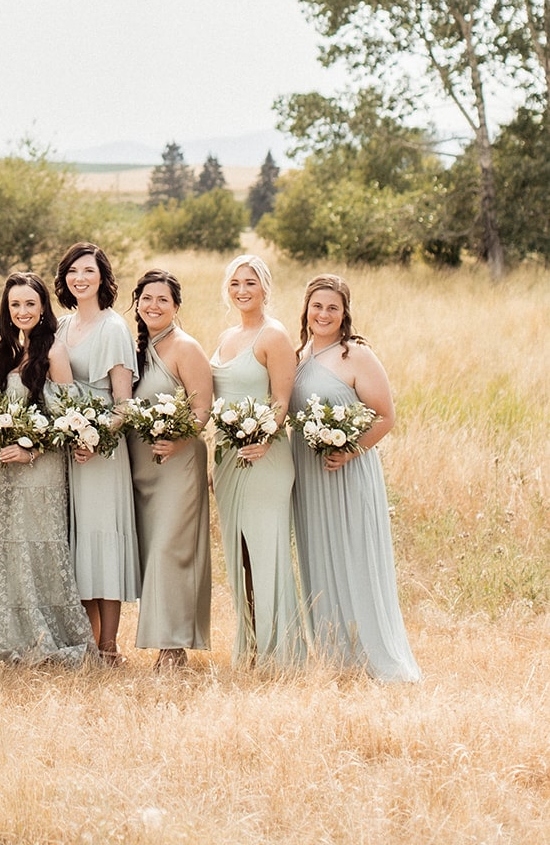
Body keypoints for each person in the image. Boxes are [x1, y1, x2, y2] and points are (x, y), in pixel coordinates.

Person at [291, 274, 420, 681]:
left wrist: (349, 450)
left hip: (348, 473)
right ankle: (337, 655)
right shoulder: (298, 354)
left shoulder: (356, 356)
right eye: (317, 306)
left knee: (355, 557)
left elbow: (386, 416)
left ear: (344, 313)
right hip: (310, 476)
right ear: (306, 310)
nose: (323, 314)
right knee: (320, 557)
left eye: (332, 307)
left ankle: (374, 654)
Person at [0, 271, 94, 665]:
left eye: (30, 303)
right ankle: (17, 639)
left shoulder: (55, 352)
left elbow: (70, 419)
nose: (22, 311)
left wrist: (30, 450)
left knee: (42, 549)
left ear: (43, 307)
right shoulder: (1, 349)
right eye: (15, 304)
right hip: (5, 472)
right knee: (9, 549)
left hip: (43, 470)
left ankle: (56, 637)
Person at [210, 253, 306, 667]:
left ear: (265, 287)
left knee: (266, 553)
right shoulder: (227, 336)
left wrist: (264, 438)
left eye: (249, 282)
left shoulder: (274, 336)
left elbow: (281, 399)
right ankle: (250, 645)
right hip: (229, 458)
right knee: (241, 555)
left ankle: (278, 652)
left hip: (265, 457)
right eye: (235, 283)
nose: (242, 290)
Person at [54, 241, 139, 664]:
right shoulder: (62, 327)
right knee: (78, 542)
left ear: (103, 278)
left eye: (88, 271)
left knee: (103, 540)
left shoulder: (113, 328)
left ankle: (109, 646)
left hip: (103, 452)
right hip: (68, 449)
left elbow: (123, 405)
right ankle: (86, 642)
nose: (80, 278)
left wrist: (94, 436)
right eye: (73, 271)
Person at [127, 269, 213, 670]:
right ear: (137, 303)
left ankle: (174, 650)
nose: (153, 306)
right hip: (141, 468)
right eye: (147, 298)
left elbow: (202, 410)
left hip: (178, 465)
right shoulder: (134, 349)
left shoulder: (186, 348)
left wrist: (179, 440)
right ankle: (164, 641)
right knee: (150, 553)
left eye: (162, 300)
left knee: (170, 551)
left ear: (176, 306)